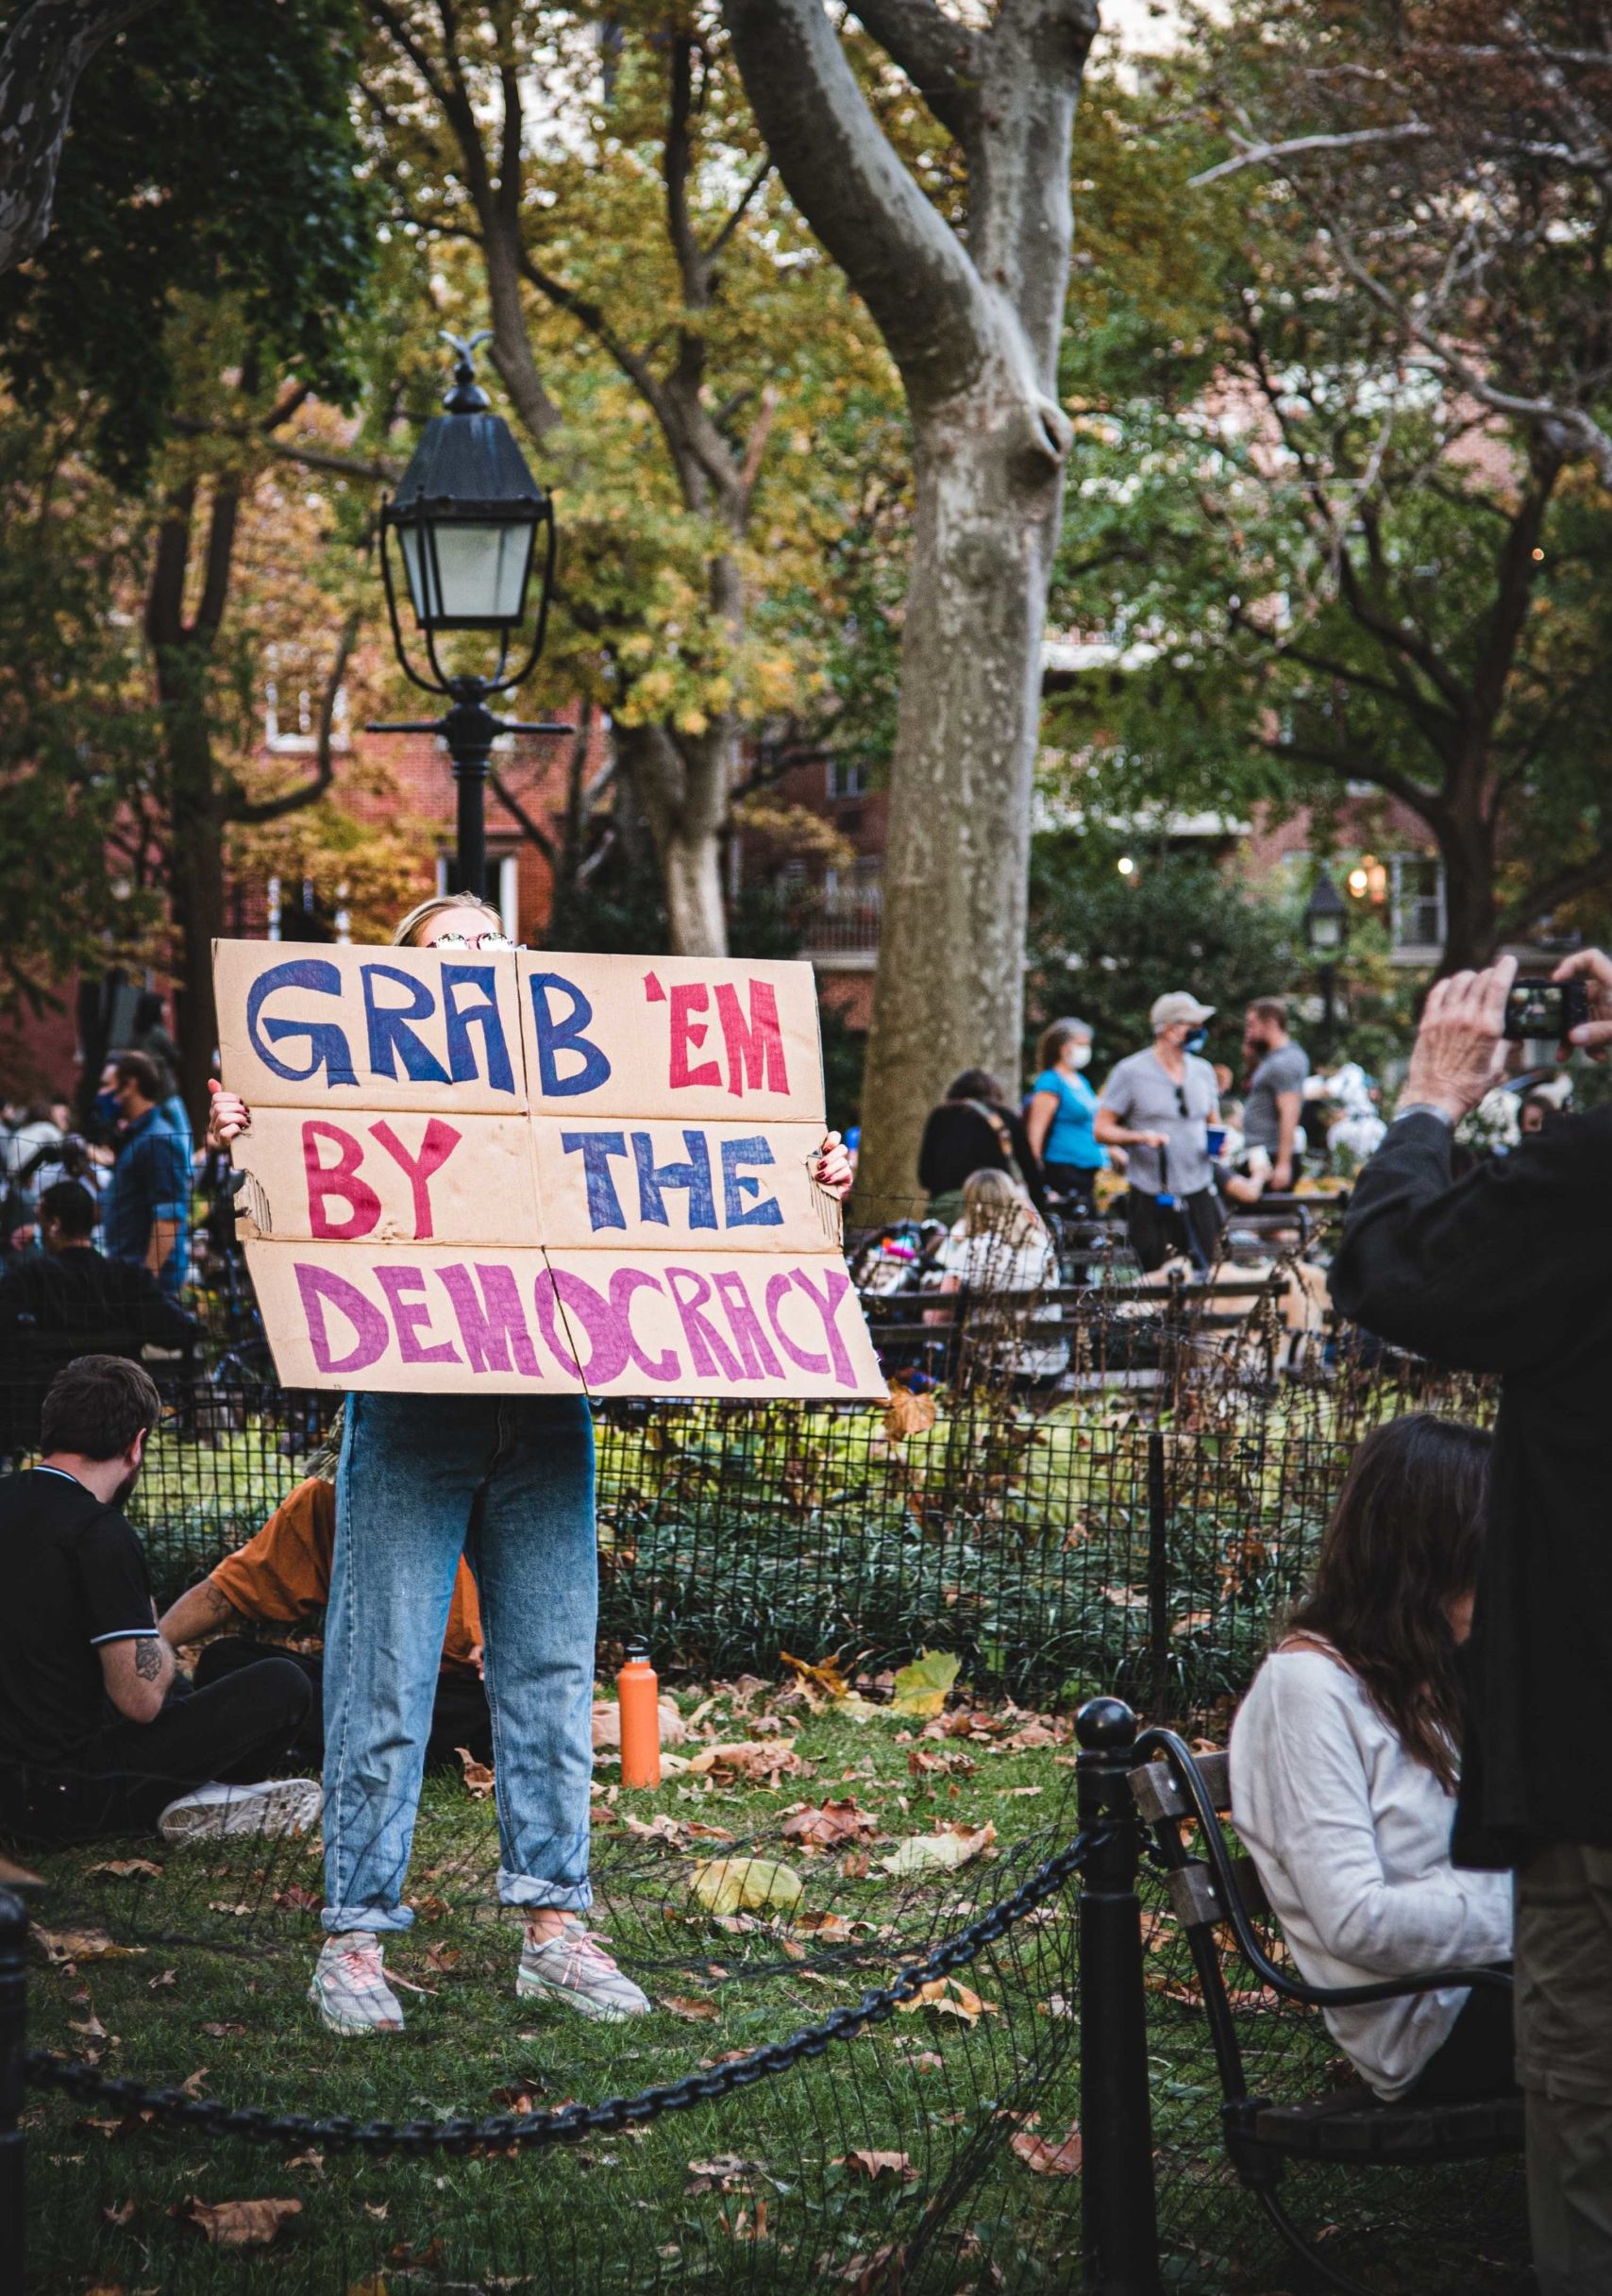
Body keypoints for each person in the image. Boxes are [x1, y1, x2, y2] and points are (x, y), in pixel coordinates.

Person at [207, 890, 857, 2037]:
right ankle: (353, 1935)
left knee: (551, 1677)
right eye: (445, 950)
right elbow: (286, 1192)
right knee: (384, 1673)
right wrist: (254, 1130)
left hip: (550, 1412)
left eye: (490, 945)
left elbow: (692, 1169)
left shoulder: (582, 1085)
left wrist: (801, 1178)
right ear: (397, 993)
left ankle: (554, 1926)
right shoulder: (355, 1090)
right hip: (411, 1408)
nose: (474, 960)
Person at [1329, 947, 1612, 2292]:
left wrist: (1433, 1098)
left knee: (1589, 2107)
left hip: (1593, 1742)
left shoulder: (1591, 1177)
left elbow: (1398, 1272)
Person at [1230, 1415, 1513, 2104]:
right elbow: (1355, 1918)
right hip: (1436, 2025)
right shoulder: (1307, 1690)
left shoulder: (1420, 1672)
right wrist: (1548, 1909)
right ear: (1430, 1558)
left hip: (1504, 1981)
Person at [0, 1356, 318, 1848]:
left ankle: (209, 1795)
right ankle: (206, 1796)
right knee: (282, 1683)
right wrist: (149, 1629)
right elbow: (140, 1701)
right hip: (62, 1799)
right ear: (137, 1444)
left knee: (182, 1689)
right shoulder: (97, 1531)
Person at [160, 1475, 492, 1769]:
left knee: (491, 1713)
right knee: (226, 1661)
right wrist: (151, 1643)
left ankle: (311, 1746)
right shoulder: (331, 1494)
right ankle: (338, 1745)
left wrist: (502, 1652)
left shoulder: (502, 1498)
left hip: (454, 1695)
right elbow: (229, 1590)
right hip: (361, 1687)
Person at [1095, 992, 1224, 1272]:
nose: (1199, 1031)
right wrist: (1139, 1138)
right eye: (1193, 1024)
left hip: (1199, 1187)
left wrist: (1219, 1143)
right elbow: (1101, 1129)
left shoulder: (1202, 1071)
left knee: (1213, 1274)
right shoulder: (1130, 1072)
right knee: (1161, 1280)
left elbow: (1213, 1121)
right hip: (1152, 1191)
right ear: (1169, 1029)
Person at [938, 1168, 1067, 1390]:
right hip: (1051, 1367)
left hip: (994, 1368)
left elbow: (936, 1317)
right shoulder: (1042, 1245)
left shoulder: (972, 1248)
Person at [102, 1052, 191, 1298]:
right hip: (130, 1277)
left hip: (151, 1289)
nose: (102, 1095)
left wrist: (147, 1281)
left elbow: (169, 1216)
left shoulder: (157, 1140)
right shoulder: (137, 1139)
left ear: (130, 1085)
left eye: (106, 1085)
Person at [916, 1070, 1046, 1225]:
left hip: (947, 1211)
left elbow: (925, 1175)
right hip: (997, 1210)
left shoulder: (939, 1116)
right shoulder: (1006, 1118)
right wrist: (1042, 1209)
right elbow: (1031, 1172)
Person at [1024, 1020, 1109, 1215]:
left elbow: (1090, 1122)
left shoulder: (1081, 1081)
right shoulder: (1051, 1081)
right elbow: (1036, 1129)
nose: (1085, 1050)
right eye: (1080, 1044)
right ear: (1063, 1048)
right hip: (1063, 1168)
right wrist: (1034, 1170)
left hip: (1088, 1169)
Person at [1239, 999, 1309, 1195]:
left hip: (1273, 1155)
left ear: (1270, 1022)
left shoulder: (1286, 1060)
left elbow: (1290, 1111)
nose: (1249, 1031)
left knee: (1273, 1222)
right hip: (1261, 1154)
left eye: (1252, 1024)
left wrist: (1283, 1164)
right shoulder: (1271, 1058)